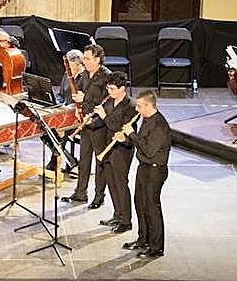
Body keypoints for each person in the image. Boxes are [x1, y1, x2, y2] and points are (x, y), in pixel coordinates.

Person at [122, 90, 171, 259]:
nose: (137, 109)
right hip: (144, 168)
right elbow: (141, 143)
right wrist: (126, 139)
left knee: (151, 208)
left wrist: (132, 134)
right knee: (140, 204)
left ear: (149, 106)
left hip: (155, 170)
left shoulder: (159, 125)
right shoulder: (146, 119)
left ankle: (156, 247)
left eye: (139, 106)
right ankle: (143, 240)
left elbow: (149, 150)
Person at [64, 43, 111, 206]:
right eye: (84, 58)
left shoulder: (106, 76)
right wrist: (78, 106)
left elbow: (107, 102)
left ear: (97, 59)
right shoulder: (84, 74)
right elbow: (79, 92)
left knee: (100, 161)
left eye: (88, 58)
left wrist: (85, 100)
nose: (84, 61)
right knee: (84, 159)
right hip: (84, 122)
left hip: (99, 124)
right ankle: (80, 193)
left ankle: (99, 196)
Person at [95, 72, 137, 234]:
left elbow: (117, 127)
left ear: (122, 88)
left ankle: (126, 221)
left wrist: (104, 115)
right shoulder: (110, 100)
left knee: (121, 184)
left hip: (122, 150)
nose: (109, 91)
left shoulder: (131, 106)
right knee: (111, 183)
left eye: (112, 89)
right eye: (108, 88)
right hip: (108, 147)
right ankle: (117, 214)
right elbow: (104, 123)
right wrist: (92, 120)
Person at [49, 48, 89, 174]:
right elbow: (61, 94)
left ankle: (55, 160)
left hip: (78, 116)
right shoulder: (67, 74)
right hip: (64, 112)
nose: (67, 69)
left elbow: (86, 101)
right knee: (44, 129)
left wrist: (70, 108)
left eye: (71, 66)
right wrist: (58, 103)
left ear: (79, 65)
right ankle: (70, 159)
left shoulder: (86, 78)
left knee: (60, 132)